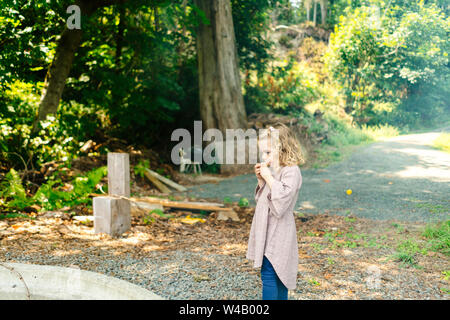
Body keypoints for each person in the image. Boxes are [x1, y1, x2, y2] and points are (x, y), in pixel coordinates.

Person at [246, 123, 305, 300]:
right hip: (266, 228)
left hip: (279, 231)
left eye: (268, 153)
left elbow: (281, 203)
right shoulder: (273, 170)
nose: (264, 157)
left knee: (273, 274)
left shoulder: (291, 171)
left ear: (283, 149)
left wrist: (269, 177)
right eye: (262, 153)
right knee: (273, 273)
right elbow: (263, 201)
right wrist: (261, 180)